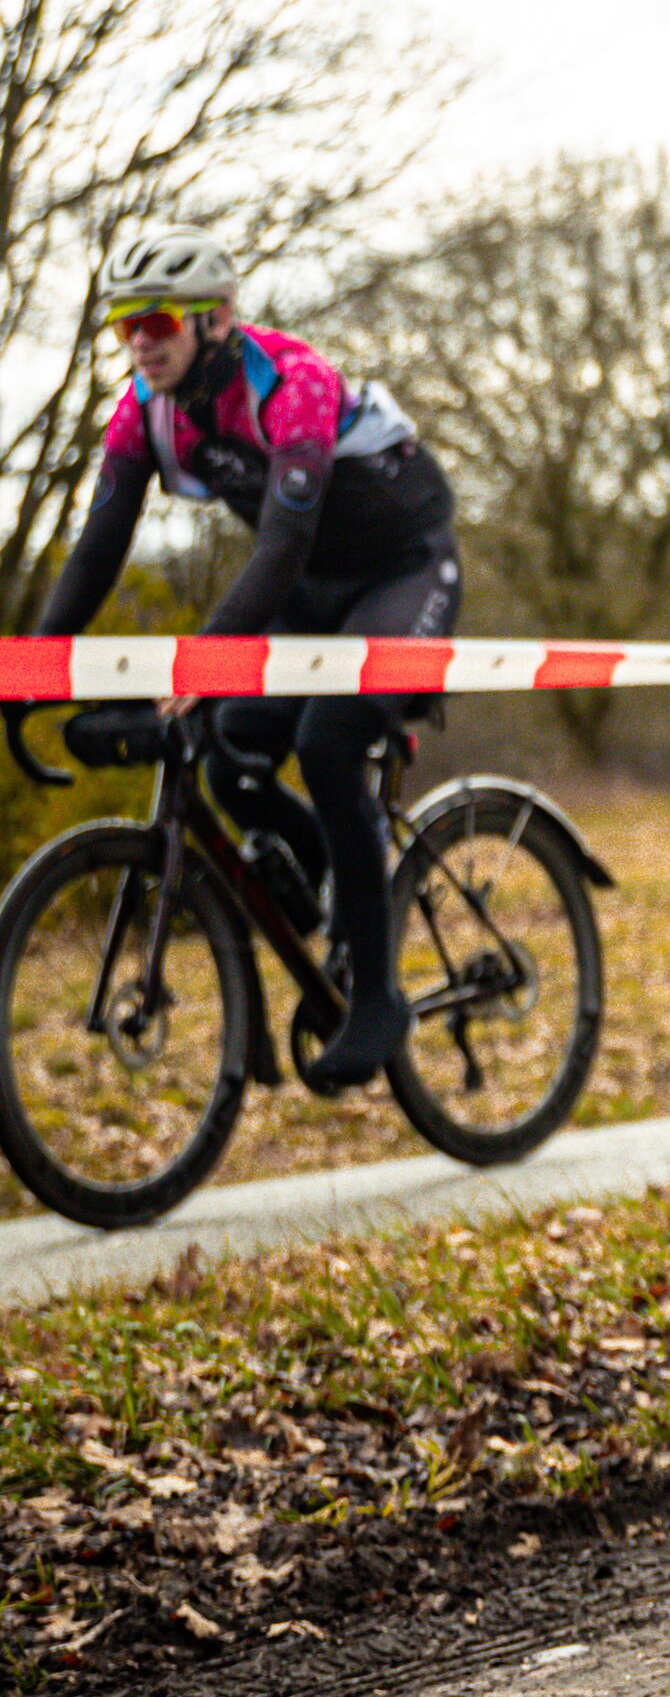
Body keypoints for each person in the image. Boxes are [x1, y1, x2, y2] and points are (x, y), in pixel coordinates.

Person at [34, 224, 463, 1095]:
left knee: (328, 740)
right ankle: (335, 887)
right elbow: (100, 546)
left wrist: (205, 658)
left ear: (216, 317)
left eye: (157, 320)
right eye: (125, 324)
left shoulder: (291, 382)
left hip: (402, 572)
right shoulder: (145, 410)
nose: (140, 341)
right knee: (227, 741)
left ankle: (377, 997)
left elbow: (281, 543)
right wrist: (36, 668)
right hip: (310, 595)